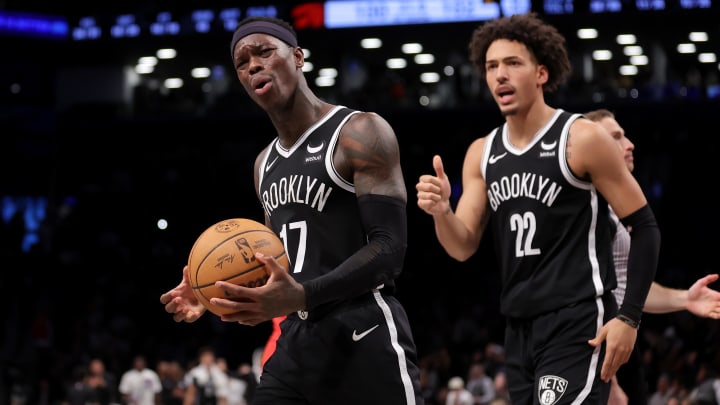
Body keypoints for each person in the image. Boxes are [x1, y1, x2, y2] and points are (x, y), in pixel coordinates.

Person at [160, 15, 424, 405]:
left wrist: (302, 295)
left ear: (298, 57)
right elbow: (272, 264)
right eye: (242, 62)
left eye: (265, 51)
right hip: (296, 343)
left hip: (364, 331)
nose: (253, 65)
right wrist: (211, 292)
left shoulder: (359, 132)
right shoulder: (263, 164)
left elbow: (390, 250)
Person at [415, 12, 661, 404]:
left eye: (513, 64)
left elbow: (645, 227)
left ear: (542, 73)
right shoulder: (482, 152)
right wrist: (442, 211)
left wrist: (628, 317)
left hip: (578, 319)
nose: (500, 75)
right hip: (518, 329)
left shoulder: (581, 138)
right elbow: (461, 246)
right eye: (492, 66)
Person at [585, 107, 720, 405]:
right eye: (616, 137)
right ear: (594, 146)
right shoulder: (585, 214)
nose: (629, 144)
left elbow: (625, 287)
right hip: (599, 357)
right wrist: (610, 378)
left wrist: (685, 299)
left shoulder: (609, 210)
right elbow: (586, 295)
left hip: (619, 351)